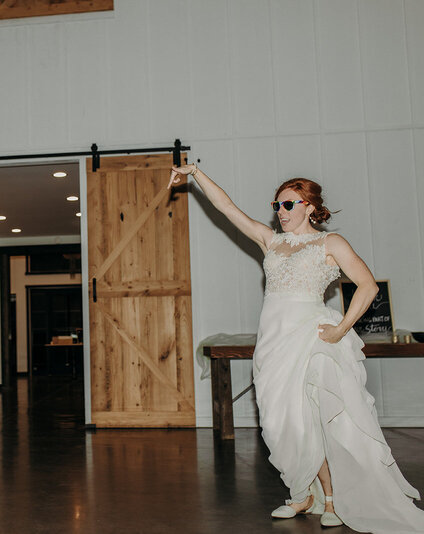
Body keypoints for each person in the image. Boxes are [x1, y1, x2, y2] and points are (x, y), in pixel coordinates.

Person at [169, 165, 424, 532]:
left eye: (288, 204)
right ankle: (302, 492)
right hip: (272, 344)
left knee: (316, 417)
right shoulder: (271, 241)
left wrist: (340, 329)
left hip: (311, 340)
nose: (280, 211)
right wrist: (195, 172)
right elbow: (226, 208)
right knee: (279, 423)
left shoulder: (330, 244)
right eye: (277, 205)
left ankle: (332, 499)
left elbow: (367, 286)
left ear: (309, 206)